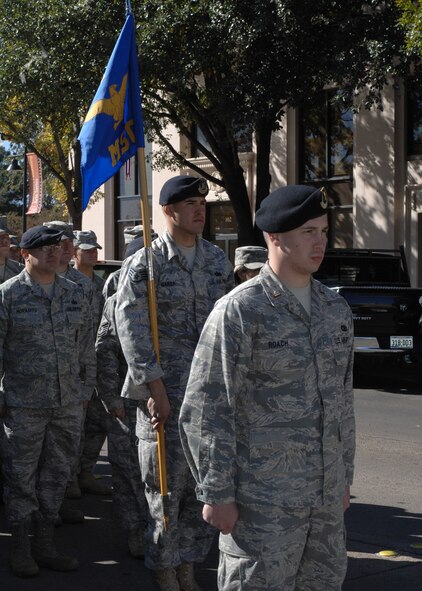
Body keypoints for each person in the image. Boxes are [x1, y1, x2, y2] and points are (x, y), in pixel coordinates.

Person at [179, 184, 356, 591]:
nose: (320, 242)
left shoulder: (335, 310)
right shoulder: (242, 310)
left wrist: (343, 476)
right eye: (309, 232)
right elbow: (208, 406)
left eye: (324, 232)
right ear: (275, 237)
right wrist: (216, 492)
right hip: (262, 504)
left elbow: (342, 401)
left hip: (325, 503)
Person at [115, 175, 234, 590]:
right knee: (164, 490)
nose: (201, 210)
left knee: (202, 488)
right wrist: (155, 389)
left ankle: (188, 567)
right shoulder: (146, 265)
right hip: (164, 398)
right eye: (190, 204)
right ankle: (165, 569)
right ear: (168, 211)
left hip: (208, 399)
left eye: (203, 202)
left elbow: (228, 328)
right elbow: (130, 329)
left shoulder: (218, 261)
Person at [0, 225, 96, 577]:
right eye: (45, 249)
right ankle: (21, 549)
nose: (55, 254)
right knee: (21, 478)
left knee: (56, 476)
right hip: (23, 405)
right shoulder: (8, 296)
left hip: (67, 403)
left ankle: (45, 545)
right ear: (25, 254)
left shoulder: (75, 293)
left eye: (57, 248)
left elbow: (86, 345)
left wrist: (86, 392)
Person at [73, 230, 111, 496]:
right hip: (75, 362)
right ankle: (69, 478)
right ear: (74, 252)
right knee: (74, 425)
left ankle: (85, 471)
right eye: (86, 250)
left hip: (99, 360)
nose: (92, 253)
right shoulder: (67, 283)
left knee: (97, 422)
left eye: (94, 249)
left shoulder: (101, 285)